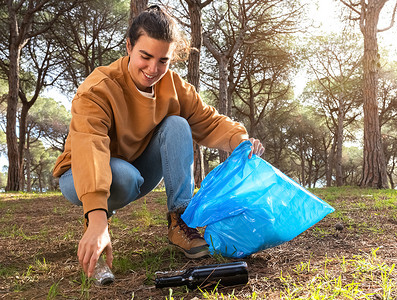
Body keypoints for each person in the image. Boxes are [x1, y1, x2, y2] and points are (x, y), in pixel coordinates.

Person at [52, 5, 264, 284]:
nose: (153, 69)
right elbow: (90, 146)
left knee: (177, 124)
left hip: (136, 169)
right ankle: (95, 223)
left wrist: (240, 140)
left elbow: (208, 121)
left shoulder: (173, 86)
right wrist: (97, 216)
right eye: (145, 56)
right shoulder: (98, 88)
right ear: (129, 47)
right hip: (80, 174)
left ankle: (181, 220)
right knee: (124, 176)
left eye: (163, 60)